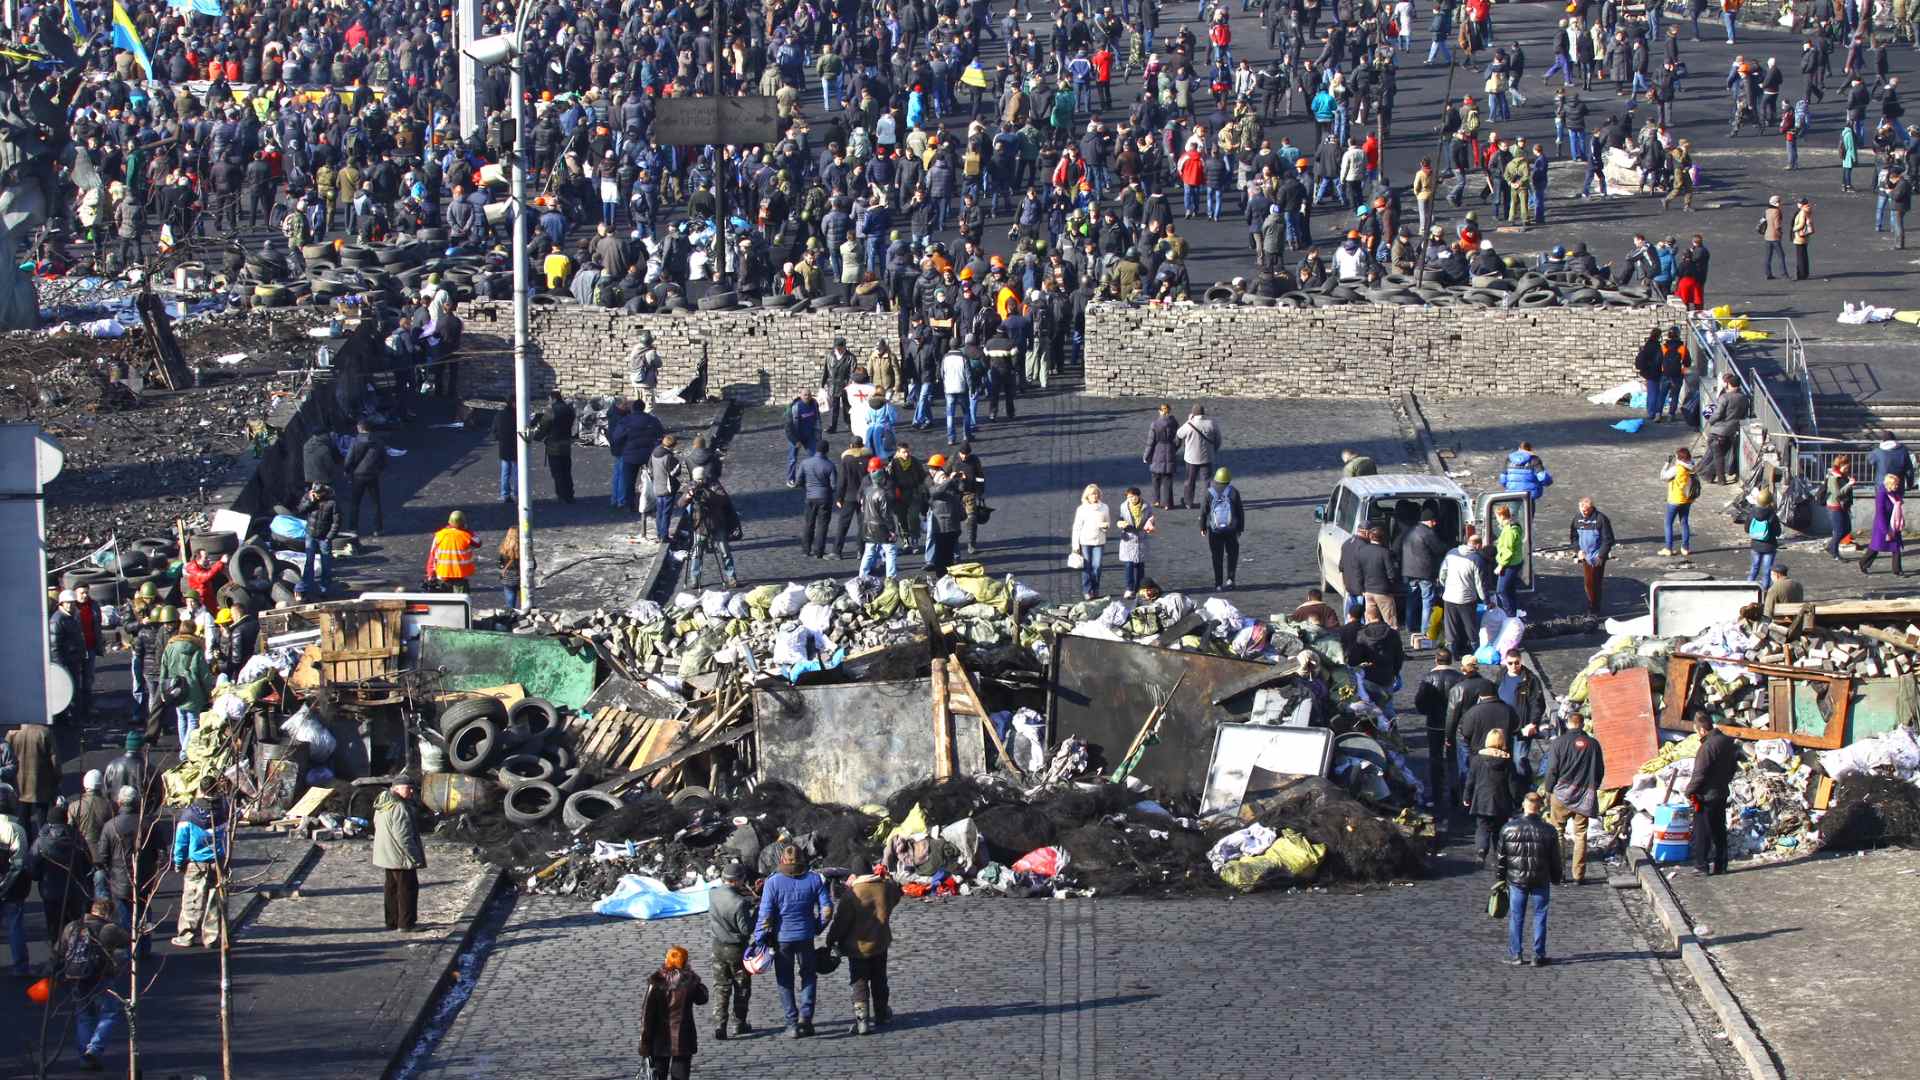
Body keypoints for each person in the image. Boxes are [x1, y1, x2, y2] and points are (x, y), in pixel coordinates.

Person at [753, 844, 833, 1038]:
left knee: (784, 980)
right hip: (805, 936)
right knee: (808, 975)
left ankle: (791, 1023)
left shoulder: (773, 882)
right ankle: (806, 1018)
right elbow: (827, 910)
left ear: (782, 860)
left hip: (782, 939)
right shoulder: (815, 879)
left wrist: (759, 939)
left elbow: (765, 916)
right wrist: (817, 928)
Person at [828, 865, 904, 1035]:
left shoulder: (852, 894)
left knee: (859, 982)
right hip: (880, 942)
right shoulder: (885, 888)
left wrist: (831, 940)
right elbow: (898, 894)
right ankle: (882, 1013)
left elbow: (841, 923)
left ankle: (862, 1021)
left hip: (858, 947)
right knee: (880, 979)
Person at [58, 897, 130, 1071]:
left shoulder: (72, 926)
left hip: (75, 976)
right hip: (99, 975)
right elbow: (128, 939)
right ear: (108, 913)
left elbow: (60, 950)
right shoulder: (108, 928)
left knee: (84, 1016)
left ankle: (84, 1057)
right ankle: (94, 1049)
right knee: (110, 1012)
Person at [1497, 791, 1563, 966]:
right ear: (1540, 808)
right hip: (1540, 878)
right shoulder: (1549, 830)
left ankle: (1516, 954)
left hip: (1516, 879)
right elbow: (1555, 858)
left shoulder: (1508, 828)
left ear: (1524, 805)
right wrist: (1556, 877)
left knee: (1516, 916)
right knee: (1540, 915)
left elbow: (1502, 858)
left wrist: (1500, 878)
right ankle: (1538, 954)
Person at [1544, 712, 1605, 884]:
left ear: (1567, 723)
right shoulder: (1593, 744)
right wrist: (1594, 786)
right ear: (1583, 724)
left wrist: (1549, 789)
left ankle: (1559, 873)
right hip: (1585, 794)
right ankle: (1579, 875)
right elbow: (1600, 770)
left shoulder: (1559, 743)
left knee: (1558, 833)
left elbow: (1552, 770)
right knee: (1580, 834)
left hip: (1561, 794)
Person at [639, 945, 709, 1078]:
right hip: (683, 1038)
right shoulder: (689, 981)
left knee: (658, 1076)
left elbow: (646, 1016)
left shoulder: (656, 982)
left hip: (659, 1039)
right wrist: (693, 977)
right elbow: (702, 998)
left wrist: (644, 1046)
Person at [707, 862, 756, 1040]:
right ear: (736, 881)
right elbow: (746, 930)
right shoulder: (739, 903)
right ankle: (739, 1023)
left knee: (721, 986)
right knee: (742, 987)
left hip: (717, 946)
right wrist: (755, 913)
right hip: (736, 949)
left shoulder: (712, 893)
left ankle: (720, 1024)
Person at [1685, 712, 1738, 876]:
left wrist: (1690, 791)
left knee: (1702, 833)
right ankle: (1721, 866)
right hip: (1721, 792)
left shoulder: (1707, 747)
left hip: (1706, 796)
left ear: (1701, 730)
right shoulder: (1727, 743)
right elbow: (1732, 769)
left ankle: (1701, 866)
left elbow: (1699, 774)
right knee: (1719, 831)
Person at [170, 797, 227, 948]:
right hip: (217, 862)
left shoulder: (189, 815)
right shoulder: (223, 810)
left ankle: (187, 935)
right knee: (214, 901)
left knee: (192, 899)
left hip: (196, 863)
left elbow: (181, 841)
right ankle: (211, 938)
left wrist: (179, 862)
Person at [1413, 648, 1464, 817]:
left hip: (1434, 723)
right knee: (1453, 759)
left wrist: (1427, 711)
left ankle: (1437, 794)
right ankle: (1456, 794)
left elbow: (1419, 701)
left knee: (1435, 758)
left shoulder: (1428, 678)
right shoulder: (1458, 678)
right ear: (1450, 660)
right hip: (1453, 724)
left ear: (1436, 660)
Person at [373, 775, 426, 931]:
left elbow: (377, 825)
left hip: (386, 853)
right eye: (407, 788)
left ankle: (392, 922)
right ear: (396, 788)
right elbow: (403, 836)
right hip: (399, 855)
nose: (411, 791)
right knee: (407, 888)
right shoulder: (399, 807)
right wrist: (414, 857)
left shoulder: (383, 803)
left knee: (391, 888)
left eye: (412, 788)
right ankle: (406, 924)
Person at [1464, 727, 1518, 866]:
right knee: (1499, 829)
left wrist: (1466, 797)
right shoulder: (1507, 762)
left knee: (1482, 827)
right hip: (1501, 801)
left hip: (1481, 799)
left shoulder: (1477, 760)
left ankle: (1481, 850)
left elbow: (1470, 780)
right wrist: (1517, 802)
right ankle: (1498, 854)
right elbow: (1513, 785)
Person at [159, 609, 212, 750]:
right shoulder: (197, 648)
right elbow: (204, 673)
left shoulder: (169, 647)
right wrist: (210, 692)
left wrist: (162, 692)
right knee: (193, 721)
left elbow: (163, 670)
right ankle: (184, 751)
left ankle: (184, 747)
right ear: (194, 631)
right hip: (193, 690)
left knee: (181, 719)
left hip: (174, 688)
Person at [682, 468, 743, 589]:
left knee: (725, 552)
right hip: (700, 526)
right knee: (697, 554)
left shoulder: (714, 484)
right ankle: (694, 579)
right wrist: (688, 496)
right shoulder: (691, 485)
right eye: (697, 479)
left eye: (701, 479)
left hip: (716, 524)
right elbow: (680, 503)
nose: (699, 481)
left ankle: (731, 577)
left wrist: (706, 492)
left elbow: (723, 499)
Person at [1400, 505, 1449, 648]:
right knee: (1427, 600)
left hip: (1408, 571)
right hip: (1424, 572)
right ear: (1428, 521)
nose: (1435, 523)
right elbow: (1439, 549)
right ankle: (1425, 630)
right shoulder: (1427, 533)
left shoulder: (1410, 531)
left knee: (1411, 599)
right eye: (1434, 521)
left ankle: (1410, 626)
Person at [5, 721, 58, 844]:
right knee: (43, 823)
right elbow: (54, 761)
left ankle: (26, 849)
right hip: (42, 786)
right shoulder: (44, 732)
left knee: (23, 822)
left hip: (18, 787)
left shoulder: (12, 733)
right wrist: (57, 779)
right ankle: (42, 849)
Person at [1437, 538, 1487, 659]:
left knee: (1451, 626)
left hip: (1449, 597)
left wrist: (1446, 586)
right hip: (1467, 599)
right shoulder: (1477, 559)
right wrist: (1485, 600)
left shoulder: (1451, 553)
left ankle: (1453, 653)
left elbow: (1442, 574)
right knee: (1470, 626)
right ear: (1478, 545)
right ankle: (1476, 652)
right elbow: (1479, 583)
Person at [1567, 497, 1616, 614]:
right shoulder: (1577, 519)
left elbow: (1608, 539)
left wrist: (1601, 555)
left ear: (1592, 508)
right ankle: (1592, 606)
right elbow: (1574, 537)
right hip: (1584, 555)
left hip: (1597, 555)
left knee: (1595, 582)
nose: (1585, 512)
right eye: (1583, 510)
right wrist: (1578, 550)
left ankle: (1594, 608)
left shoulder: (1601, 519)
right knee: (1589, 582)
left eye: (1587, 510)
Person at [1200, 468, 1246, 591]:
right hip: (1231, 530)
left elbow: (1204, 512)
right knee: (1232, 555)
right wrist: (1240, 528)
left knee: (1217, 557)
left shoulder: (1209, 492)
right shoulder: (1233, 492)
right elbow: (1240, 512)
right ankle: (1230, 580)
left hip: (1215, 531)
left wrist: (1203, 527)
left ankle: (1218, 583)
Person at [528, 391, 578, 504]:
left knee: (557, 473)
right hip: (566, 444)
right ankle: (569, 494)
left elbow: (544, 426)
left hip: (554, 446)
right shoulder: (569, 409)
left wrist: (536, 437)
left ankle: (561, 495)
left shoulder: (551, 411)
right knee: (566, 471)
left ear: (552, 398)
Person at [343, 422, 390, 536]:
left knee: (355, 503)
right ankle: (378, 529)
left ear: (359, 428)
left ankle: (352, 528)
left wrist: (347, 471)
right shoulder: (378, 442)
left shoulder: (355, 442)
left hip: (358, 475)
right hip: (372, 475)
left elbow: (349, 459)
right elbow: (384, 459)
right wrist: (378, 470)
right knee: (375, 503)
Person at [1, 785, 28, 977]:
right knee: (15, 925)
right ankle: (20, 967)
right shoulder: (16, 829)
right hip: (10, 887)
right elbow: (20, 863)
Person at [859, 458, 902, 579]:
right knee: (890, 551)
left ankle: (861, 577)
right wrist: (892, 530)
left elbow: (863, 506)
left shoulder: (867, 491)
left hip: (868, 526)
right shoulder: (883, 494)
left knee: (869, 552)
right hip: (881, 527)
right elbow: (886, 515)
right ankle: (891, 579)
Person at [1704, 374, 1750, 485]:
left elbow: (1718, 413)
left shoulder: (1725, 397)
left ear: (1729, 384)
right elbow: (1744, 415)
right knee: (1720, 454)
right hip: (1732, 430)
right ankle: (1709, 475)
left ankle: (1720, 479)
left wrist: (1710, 421)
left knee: (1718, 456)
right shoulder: (1744, 398)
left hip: (1719, 431)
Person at [924, 455, 966, 574]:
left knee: (947, 551)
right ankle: (936, 565)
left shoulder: (947, 482)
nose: (931, 470)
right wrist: (949, 480)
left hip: (949, 524)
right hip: (941, 522)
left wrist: (960, 480)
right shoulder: (932, 481)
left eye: (934, 468)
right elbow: (935, 492)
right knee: (941, 551)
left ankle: (951, 567)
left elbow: (961, 490)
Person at [294, 483, 338, 597]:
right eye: (314, 494)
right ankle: (306, 586)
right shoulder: (309, 497)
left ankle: (325, 588)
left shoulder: (332, 502)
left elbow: (336, 521)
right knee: (309, 561)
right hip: (311, 534)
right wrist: (310, 501)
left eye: (318, 494)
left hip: (324, 537)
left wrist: (329, 537)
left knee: (326, 562)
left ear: (323, 493)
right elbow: (300, 510)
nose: (316, 496)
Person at [1175, 405, 1223, 507]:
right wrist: (1213, 451)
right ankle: (1208, 502)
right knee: (1208, 482)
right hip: (1207, 458)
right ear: (1203, 413)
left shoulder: (1189, 424)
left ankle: (1188, 502)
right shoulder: (1211, 423)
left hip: (1191, 459)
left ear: (1193, 413)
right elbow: (1218, 440)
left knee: (1190, 481)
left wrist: (1189, 420)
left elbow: (1179, 434)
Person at [797, 442, 838, 559]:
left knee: (809, 524)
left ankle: (806, 550)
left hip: (810, 497)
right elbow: (834, 485)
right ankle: (819, 551)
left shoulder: (805, 463)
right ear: (827, 451)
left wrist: (808, 488)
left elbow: (799, 481)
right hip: (825, 498)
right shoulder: (829, 465)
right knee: (822, 525)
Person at [1071, 484, 1113, 599]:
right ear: (1087, 496)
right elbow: (1077, 527)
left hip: (1099, 541)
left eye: (1096, 493)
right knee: (1087, 566)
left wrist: (1105, 526)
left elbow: (1108, 522)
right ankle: (1087, 590)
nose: (1094, 496)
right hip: (1085, 541)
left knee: (1097, 566)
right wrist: (1075, 545)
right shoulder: (1082, 509)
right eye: (1092, 494)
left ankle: (1095, 589)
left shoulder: (1104, 507)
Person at [1860, 473, 1906, 576]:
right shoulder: (1881, 494)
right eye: (1896, 484)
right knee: (1875, 547)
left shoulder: (1894, 493)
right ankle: (1863, 563)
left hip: (1894, 523)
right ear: (1889, 484)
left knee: (1896, 547)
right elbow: (1880, 513)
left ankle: (1897, 570)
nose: (1897, 486)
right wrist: (1886, 531)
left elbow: (1898, 502)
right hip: (1883, 525)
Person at [1116, 487, 1156, 599]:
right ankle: (1129, 589)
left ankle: (1139, 588)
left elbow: (1151, 518)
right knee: (1128, 564)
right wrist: (1120, 523)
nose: (1131, 499)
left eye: (1133, 496)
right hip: (1128, 539)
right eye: (1129, 497)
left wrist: (1150, 524)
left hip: (1141, 539)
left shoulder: (1146, 506)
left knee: (1140, 566)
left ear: (1139, 496)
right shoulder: (1123, 506)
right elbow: (1119, 518)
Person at [426, 511, 479, 593]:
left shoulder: (440, 535)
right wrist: (467, 530)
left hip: (443, 576)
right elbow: (478, 543)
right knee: (460, 603)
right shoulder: (466, 536)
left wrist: (430, 574)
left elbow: (432, 556)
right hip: (460, 575)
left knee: (445, 603)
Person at [1660, 447, 1698, 557]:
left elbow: (1663, 477)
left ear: (1679, 458)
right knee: (1684, 523)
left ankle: (1668, 548)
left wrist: (1667, 463)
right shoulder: (1692, 467)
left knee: (1668, 523)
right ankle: (1685, 548)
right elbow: (1690, 462)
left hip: (1675, 500)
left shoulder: (1677, 469)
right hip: (1687, 499)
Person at [650, 436, 686, 542]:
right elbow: (675, 473)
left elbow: (650, 468)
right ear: (673, 445)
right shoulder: (669, 457)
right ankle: (664, 536)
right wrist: (678, 465)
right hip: (668, 488)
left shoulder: (654, 453)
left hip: (657, 486)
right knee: (666, 513)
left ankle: (659, 533)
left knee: (659, 512)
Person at [1491, 504, 1525, 616]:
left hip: (1509, 564)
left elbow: (1508, 551)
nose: (1496, 519)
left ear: (1501, 516)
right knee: (1510, 590)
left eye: (1497, 517)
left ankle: (1509, 614)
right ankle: (1513, 613)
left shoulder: (1509, 531)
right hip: (1516, 562)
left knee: (1501, 590)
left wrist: (1500, 565)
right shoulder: (1514, 526)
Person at [784, 391, 822, 488]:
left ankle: (812, 479)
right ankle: (790, 479)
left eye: (809, 394)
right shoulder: (795, 407)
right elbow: (788, 427)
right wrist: (795, 441)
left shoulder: (814, 404)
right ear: (800, 396)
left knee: (815, 457)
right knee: (792, 459)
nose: (807, 397)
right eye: (805, 395)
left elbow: (817, 419)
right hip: (796, 437)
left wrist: (818, 435)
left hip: (809, 437)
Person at [1143, 404, 1178, 508]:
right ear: (1170, 411)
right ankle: (1167, 503)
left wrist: (1146, 455)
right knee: (1167, 479)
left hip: (1158, 451)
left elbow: (1150, 442)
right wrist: (1174, 448)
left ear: (1160, 411)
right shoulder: (1174, 423)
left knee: (1155, 477)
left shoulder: (1155, 424)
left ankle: (1156, 500)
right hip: (1170, 450)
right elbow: (1178, 438)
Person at [1746, 488, 1781, 582]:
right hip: (1769, 546)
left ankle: (1748, 588)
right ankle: (1765, 592)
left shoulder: (1752, 513)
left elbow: (1746, 529)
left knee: (1754, 568)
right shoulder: (1772, 515)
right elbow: (1778, 532)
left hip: (1755, 545)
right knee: (1767, 572)